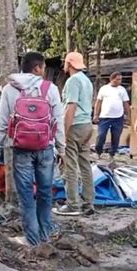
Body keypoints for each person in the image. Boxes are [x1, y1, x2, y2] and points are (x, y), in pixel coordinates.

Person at [0, 52, 65, 247]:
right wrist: (62, 149)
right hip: (45, 147)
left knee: (25, 193)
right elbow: (58, 121)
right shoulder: (50, 89)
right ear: (36, 68)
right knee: (45, 191)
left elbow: (1, 120)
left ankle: (32, 239)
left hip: (20, 147)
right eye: (42, 68)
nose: (43, 72)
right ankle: (44, 234)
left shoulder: (9, 89)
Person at [53, 52, 94, 216]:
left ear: (69, 64)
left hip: (75, 126)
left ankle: (73, 204)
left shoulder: (73, 81)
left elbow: (71, 107)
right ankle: (88, 201)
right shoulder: (87, 81)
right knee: (85, 164)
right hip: (87, 125)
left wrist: (64, 130)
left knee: (69, 165)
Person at [93, 72, 130, 160]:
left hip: (118, 117)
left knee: (116, 136)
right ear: (112, 79)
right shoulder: (104, 89)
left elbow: (126, 103)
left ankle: (112, 154)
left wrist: (128, 116)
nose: (119, 81)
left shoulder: (122, 90)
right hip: (104, 117)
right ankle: (98, 152)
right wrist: (95, 115)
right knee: (101, 136)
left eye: (120, 79)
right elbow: (98, 102)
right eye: (118, 79)